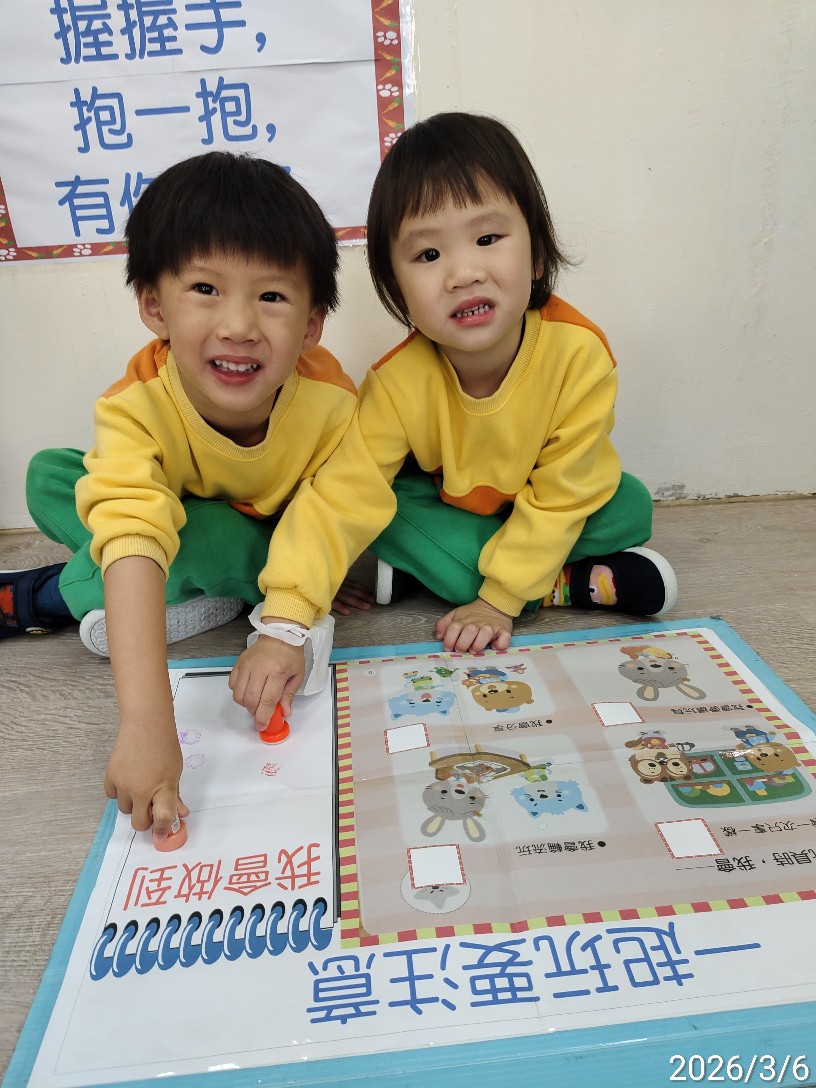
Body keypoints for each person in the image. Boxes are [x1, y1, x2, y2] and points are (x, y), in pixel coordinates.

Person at [1, 151, 390, 841]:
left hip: (270, 540)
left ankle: (81, 595)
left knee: (186, 542)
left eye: (272, 297)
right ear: (154, 305)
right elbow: (131, 522)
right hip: (177, 518)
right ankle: (190, 591)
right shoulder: (135, 403)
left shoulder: (333, 405)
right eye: (205, 288)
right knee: (51, 477)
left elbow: (335, 513)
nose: (239, 325)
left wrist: (287, 625)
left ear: (312, 324)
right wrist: (146, 723)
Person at [361, 110, 678, 653]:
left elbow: (562, 498)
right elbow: (353, 489)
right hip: (451, 504)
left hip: (546, 503)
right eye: (429, 254)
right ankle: (569, 584)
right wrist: (295, 608)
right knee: (383, 512)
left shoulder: (579, 355)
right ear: (397, 286)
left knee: (629, 505)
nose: (464, 274)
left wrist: (498, 599)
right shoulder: (394, 382)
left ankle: (443, 570)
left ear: (537, 252)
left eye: (487, 237)